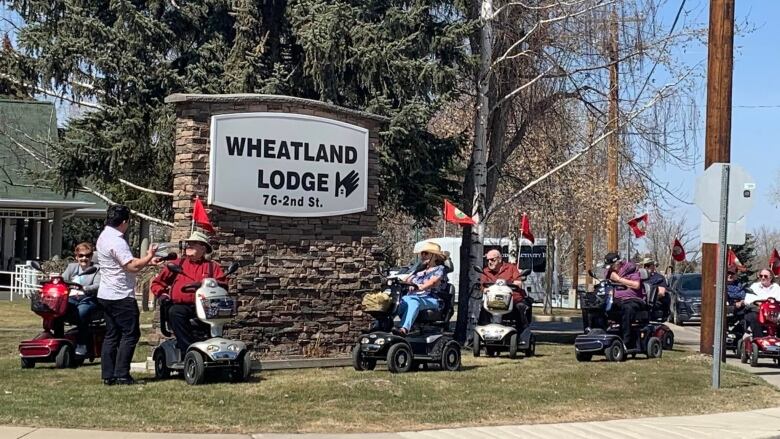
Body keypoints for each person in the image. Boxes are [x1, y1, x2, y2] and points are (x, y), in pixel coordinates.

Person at [96, 204, 160, 385]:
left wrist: (147, 261)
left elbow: (126, 263)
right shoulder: (116, 240)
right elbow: (131, 266)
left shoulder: (103, 236)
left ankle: (108, 375)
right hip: (120, 295)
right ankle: (122, 374)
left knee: (112, 334)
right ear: (124, 222)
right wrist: (149, 256)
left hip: (105, 293)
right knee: (130, 334)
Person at [151, 231, 225, 353]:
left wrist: (206, 285)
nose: (188, 246)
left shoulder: (212, 267)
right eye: (188, 244)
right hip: (182, 306)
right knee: (175, 312)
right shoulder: (177, 264)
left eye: (193, 244)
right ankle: (188, 350)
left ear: (203, 248)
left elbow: (223, 285)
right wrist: (162, 294)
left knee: (220, 313)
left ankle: (215, 348)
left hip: (206, 306)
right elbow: (157, 283)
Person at [394, 242, 448, 335]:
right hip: (412, 297)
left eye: (426, 253)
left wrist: (420, 287)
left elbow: (433, 282)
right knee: (395, 301)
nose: (423, 255)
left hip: (431, 299)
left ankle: (404, 329)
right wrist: (408, 282)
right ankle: (382, 325)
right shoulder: (418, 269)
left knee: (414, 302)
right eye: (422, 253)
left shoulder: (440, 269)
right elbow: (405, 280)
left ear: (434, 256)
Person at [61, 242, 101, 356]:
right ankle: (58, 338)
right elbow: (63, 280)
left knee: (82, 312)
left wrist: (85, 288)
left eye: (87, 256)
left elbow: (98, 285)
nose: (84, 258)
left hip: (88, 298)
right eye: (81, 256)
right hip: (71, 298)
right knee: (56, 309)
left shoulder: (97, 269)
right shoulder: (71, 267)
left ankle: (82, 344)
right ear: (76, 257)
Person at [480, 249, 529, 332]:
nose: (489, 262)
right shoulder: (485, 271)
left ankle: (522, 331)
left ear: (499, 259)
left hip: (512, 299)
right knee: (483, 308)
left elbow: (518, 282)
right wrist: (484, 289)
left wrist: (514, 283)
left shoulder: (511, 268)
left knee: (520, 307)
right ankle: (482, 331)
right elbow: (482, 285)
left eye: (492, 260)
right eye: (487, 260)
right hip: (493, 300)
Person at [604, 252, 644, 347]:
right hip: (616, 299)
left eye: (611, 266)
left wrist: (618, 279)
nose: (610, 269)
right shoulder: (610, 272)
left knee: (626, 309)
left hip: (633, 299)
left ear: (617, 263)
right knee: (600, 307)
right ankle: (600, 335)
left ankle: (626, 341)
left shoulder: (631, 269)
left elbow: (636, 285)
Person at [744, 268, 780, 338]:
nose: (763, 278)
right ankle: (759, 339)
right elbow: (748, 300)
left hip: (773, 313)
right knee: (755, 318)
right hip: (757, 311)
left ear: (771, 277)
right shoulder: (754, 286)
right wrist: (758, 303)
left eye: (765, 276)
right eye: (761, 276)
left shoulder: (776, 287)